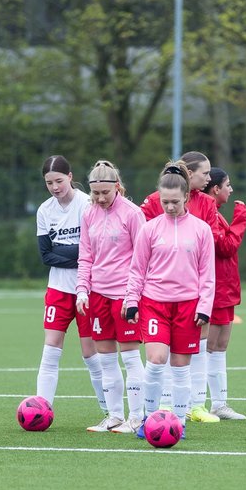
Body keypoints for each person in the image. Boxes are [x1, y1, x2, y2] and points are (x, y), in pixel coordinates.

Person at [140, 151, 241, 423]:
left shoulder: (206, 205)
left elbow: (211, 246)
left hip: (193, 292)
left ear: (184, 197)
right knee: (159, 357)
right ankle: (159, 410)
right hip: (158, 296)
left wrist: (204, 300)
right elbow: (142, 247)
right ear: (190, 174)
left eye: (211, 174)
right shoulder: (153, 202)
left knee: (195, 351)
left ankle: (196, 406)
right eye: (205, 173)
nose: (209, 178)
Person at [124, 164, 216, 440]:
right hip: (154, 303)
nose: (170, 206)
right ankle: (148, 420)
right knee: (155, 360)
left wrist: (204, 307)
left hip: (188, 306)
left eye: (175, 201)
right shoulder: (149, 229)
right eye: (165, 202)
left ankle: (177, 423)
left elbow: (207, 274)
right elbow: (137, 269)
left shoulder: (201, 230)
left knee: (179, 367)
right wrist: (132, 301)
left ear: (187, 197)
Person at [75, 160, 146, 434]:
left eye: (106, 192)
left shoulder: (132, 213)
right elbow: (85, 255)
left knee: (130, 357)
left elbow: (142, 259)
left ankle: (136, 417)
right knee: (105, 358)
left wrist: (133, 296)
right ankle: (115, 415)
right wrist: (82, 289)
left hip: (125, 296)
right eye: (96, 193)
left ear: (117, 187)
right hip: (98, 295)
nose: (101, 198)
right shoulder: (89, 213)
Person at [34, 155, 106, 418]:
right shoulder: (45, 210)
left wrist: (66, 251)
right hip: (58, 289)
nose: (55, 187)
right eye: (49, 182)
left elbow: (96, 250)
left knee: (91, 353)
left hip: (87, 288)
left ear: (71, 177)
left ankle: (108, 409)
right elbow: (45, 256)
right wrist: (79, 252)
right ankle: (41, 409)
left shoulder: (87, 204)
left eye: (59, 181)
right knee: (51, 348)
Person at [202, 167, 246, 419]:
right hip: (215, 289)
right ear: (215, 189)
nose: (231, 190)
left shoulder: (217, 214)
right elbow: (226, 246)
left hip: (226, 289)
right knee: (208, 347)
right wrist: (241, 217)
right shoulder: (209, 214)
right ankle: (198, 403)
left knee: (220, 346)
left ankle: (219, 403)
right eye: (227, 185)